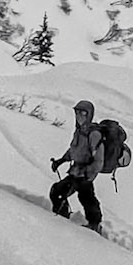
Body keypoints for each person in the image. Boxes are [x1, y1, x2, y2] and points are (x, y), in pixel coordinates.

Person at [50, 100, 105, 233]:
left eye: (83, 113)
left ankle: (94, 224)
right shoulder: (79, 131)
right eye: (77, 112)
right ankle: (64, 218)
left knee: (84, 196)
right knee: (60, 191)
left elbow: (99, 161)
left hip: (85, 173)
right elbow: (74, 150)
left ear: (89, 115)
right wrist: (61, 160)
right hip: (76, 170)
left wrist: (88, 172)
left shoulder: (94, 135)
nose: (79, 115)